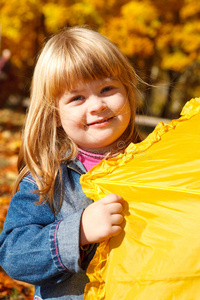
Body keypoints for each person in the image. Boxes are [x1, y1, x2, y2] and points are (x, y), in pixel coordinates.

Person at [0, 26, 141, 300]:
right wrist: (77, 232)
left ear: (128, 91)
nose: (97, 105)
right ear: (54, 114)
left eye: (107, 88)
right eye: (77, 98)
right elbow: (14, 254)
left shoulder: (150, 163)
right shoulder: (47, 178)